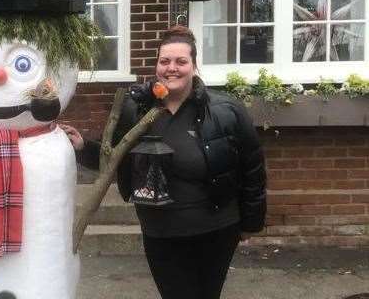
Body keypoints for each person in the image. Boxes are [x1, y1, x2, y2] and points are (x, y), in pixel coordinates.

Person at [62, 25, 266, 299]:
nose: (172, 68)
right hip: (161, 231)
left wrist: (250, 223)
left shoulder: (225, 111)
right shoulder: (136, 109)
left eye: (181, 61)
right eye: (165, 61)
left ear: (194, 66)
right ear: (157, 65)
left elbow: (252, 169)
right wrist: (84, 147)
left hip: (215, 229)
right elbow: (115, 158)